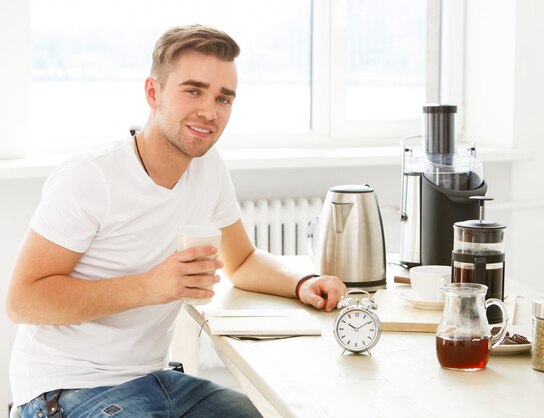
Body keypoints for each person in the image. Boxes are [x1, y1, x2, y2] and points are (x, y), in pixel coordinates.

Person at [6, 24, 347, 417]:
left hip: (154, 379)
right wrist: (151, 286)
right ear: (153, 93)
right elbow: (23, 300)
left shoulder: (209, 169)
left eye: (224, 98)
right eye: (193, 90)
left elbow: (243, 261)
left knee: (275, 412)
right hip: (66, 389)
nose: (209, 111)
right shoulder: (91, 176)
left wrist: (302, 283)